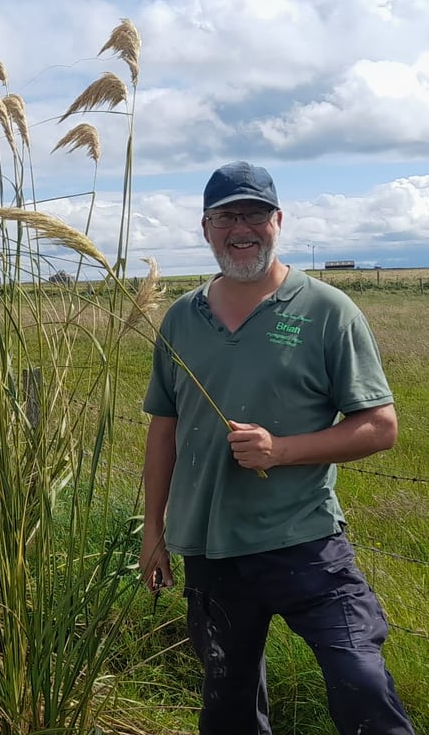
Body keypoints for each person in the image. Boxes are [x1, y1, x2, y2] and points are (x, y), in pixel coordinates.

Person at [139, 161, 416, 735]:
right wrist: (153, 532)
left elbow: (380, 425)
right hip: (210, 548)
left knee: (361, 682)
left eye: (255, 215)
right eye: (227, 217)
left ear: (278, 221)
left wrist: (280, 450)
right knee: (228, 707)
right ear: (206, 227)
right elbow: (163, 431)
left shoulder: (327, 311)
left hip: (305, 541)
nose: (241, 228)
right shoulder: (181, 318)